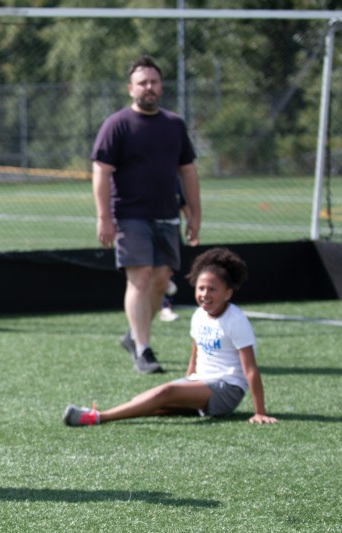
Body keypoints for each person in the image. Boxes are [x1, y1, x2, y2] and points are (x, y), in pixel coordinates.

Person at [63, 247, 276, 427]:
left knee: (166, 392)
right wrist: (187, 380)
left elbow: (250, 369)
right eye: (201, 288)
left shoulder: (236, 320)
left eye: (212, 289)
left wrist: (260, 412)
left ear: (228, 293)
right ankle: (94, 416)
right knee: (150, 402)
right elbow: (196, 353)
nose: (205, 294)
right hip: (201, 382)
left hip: (227, 389)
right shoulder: (199, 315)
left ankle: (97, 417)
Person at [92, 55, 202, 374]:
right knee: (140, 277)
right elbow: (101, 172)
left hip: (167, 215)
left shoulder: (174, 124)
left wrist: (195, 213)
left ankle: (133, 334)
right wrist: (104, 217)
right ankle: (143, 349)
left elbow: (188, 171)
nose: (149, 88)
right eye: (142, 83)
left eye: (154, 82)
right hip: (129, 216)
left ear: (161, 86)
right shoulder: (117, 124)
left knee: (161, 280)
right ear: (131, 88)